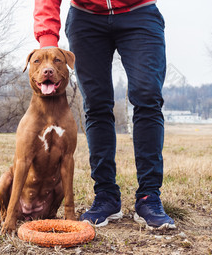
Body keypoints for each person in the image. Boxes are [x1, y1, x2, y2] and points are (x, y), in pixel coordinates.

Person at [33, 0, 176, 229]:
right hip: (86, 17)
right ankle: (106, 195)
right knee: (96, 104)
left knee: (148, 97)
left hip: (139, 12)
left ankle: (149, 197)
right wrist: (47, 40)